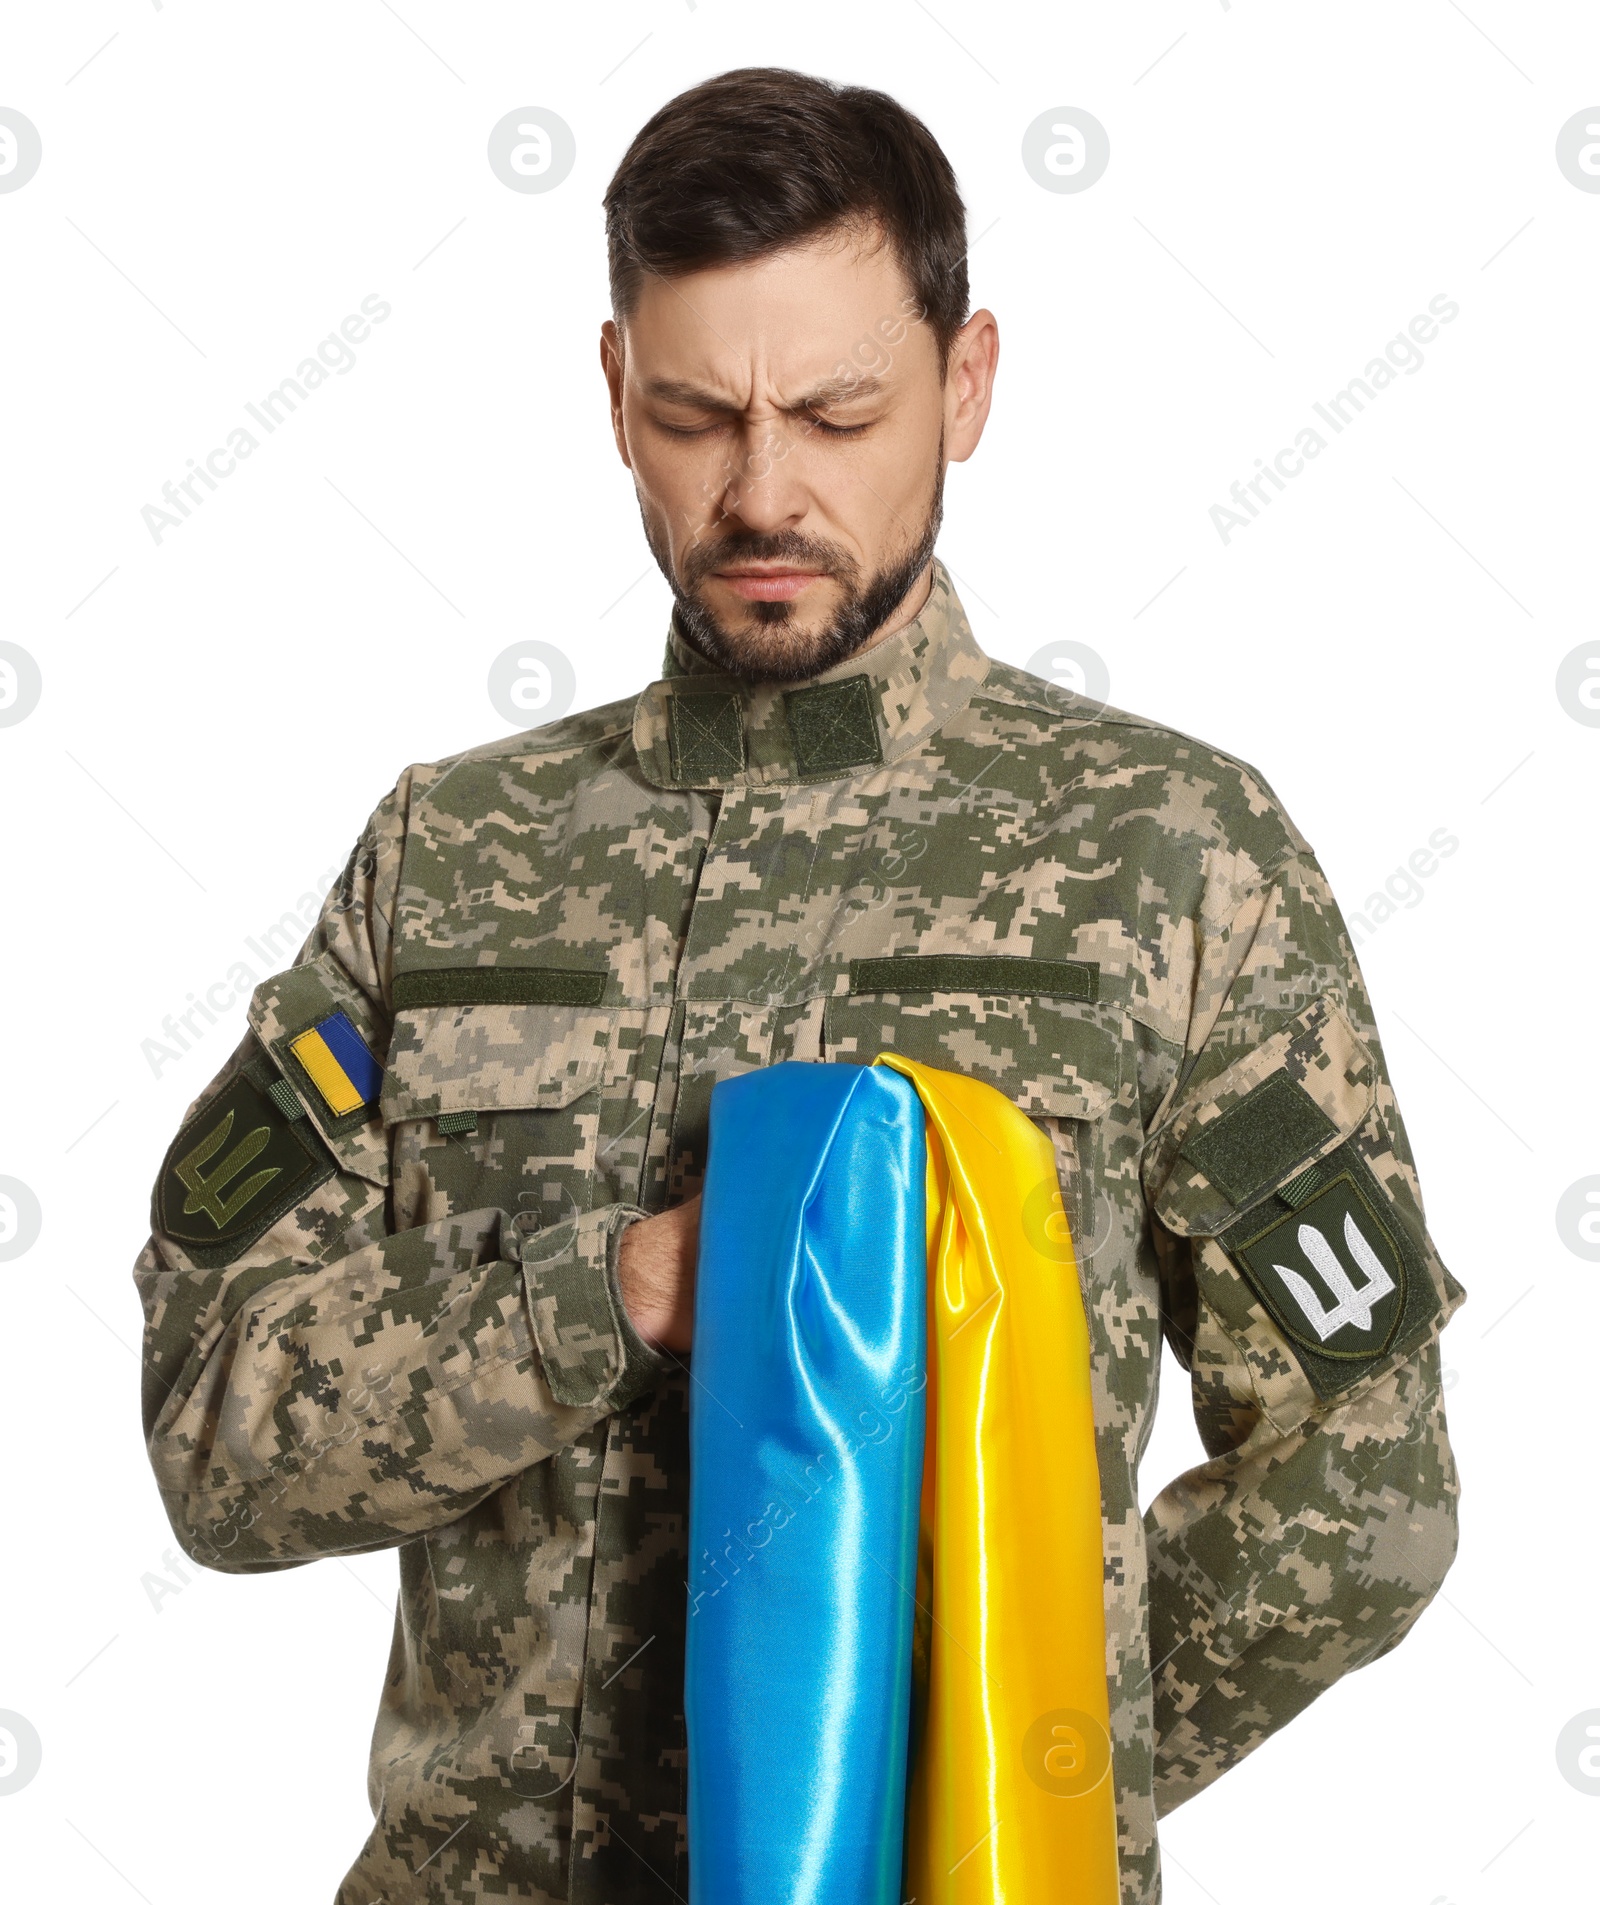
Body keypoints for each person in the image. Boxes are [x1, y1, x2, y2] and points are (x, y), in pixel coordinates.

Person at [134, 66, 1463, 1905]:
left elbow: (1365, 1497)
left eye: (840, 414)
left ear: (967, 384)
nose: (766, 490)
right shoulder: (443, 858)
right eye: (698, 416)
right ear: (616, 398)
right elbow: (217, 1430)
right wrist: (604, 1299)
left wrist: (1002, 1779)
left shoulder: (1179, 857)